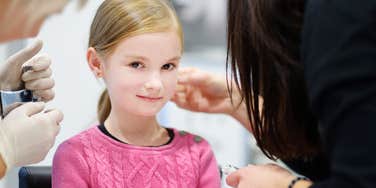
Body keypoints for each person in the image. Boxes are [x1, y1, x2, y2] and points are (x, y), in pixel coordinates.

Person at [172, 0, 376, 187]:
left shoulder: (340, 13)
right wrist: (237, 102)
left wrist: (285, 185)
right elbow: (347, 154)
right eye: (138, 65)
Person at [52, 0, 221, 187]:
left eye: (167, 66)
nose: (155, 84)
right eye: (136, 65)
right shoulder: (76, 156)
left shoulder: (197, 153)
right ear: (97, 63)